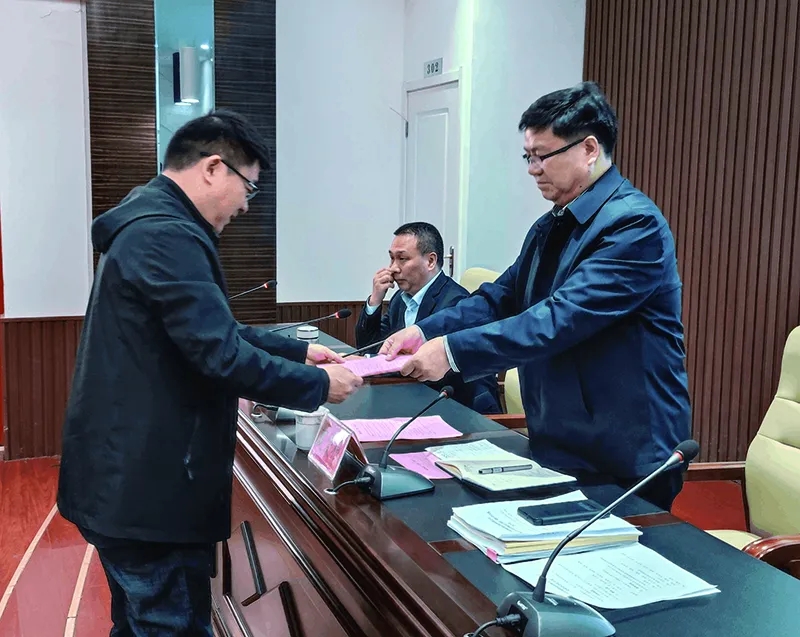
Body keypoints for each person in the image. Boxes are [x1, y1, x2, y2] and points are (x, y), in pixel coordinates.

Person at [57, 109, 363, 635]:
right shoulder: (167, 236)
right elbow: (220, 355)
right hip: (150, 493)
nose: (246, 205)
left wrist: (298, 353)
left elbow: (206, 331)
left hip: (127, 483)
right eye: (249, 188)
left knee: (137, 625)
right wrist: (319, 386)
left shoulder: (149, 222)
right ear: (214, 168)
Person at [381, 82, 691, 511]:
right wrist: (424, 330)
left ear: (588, 149)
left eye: (542, 156)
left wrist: (451, 351)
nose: (533, 169)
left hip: (624, 448)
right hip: (562, 437)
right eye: (528, 156)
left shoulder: (634, 226)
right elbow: (501, 297)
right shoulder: (553, 224)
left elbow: (557, 320)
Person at [356, 221, 500, 414]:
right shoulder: (400, 299)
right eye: (392, 259)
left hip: (459, 407)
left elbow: (438, 371)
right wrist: (375, 300)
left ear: (431, 261)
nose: (393, 268)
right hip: (414, 398)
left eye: (402, 259)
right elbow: (370, 347)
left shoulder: (455, 303)